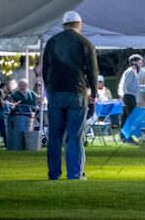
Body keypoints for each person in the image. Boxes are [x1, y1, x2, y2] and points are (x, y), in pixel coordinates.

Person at [42, 11, 99, 180]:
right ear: (79, 24)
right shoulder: (85, 42)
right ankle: (75, 173)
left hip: (55, 93)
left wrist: (49, 88)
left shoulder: (52, 42)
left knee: (55, 136)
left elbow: (45, 69)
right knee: (75, 135)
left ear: (64, 25)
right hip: (77, 92)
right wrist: (94, 93)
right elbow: (92, 71)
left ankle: (54, 173)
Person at [117, 54, 142, 127]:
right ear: (134, 62)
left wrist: (140, 87)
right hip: (129, 96)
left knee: (126, 116)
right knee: (130, 116)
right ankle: (127, 134)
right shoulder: (130, 71)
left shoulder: (133, 72)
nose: (141, 63)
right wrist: (138, 88)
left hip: (130, 96)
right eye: (140, 61)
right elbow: (127, 85)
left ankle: (124, 134)